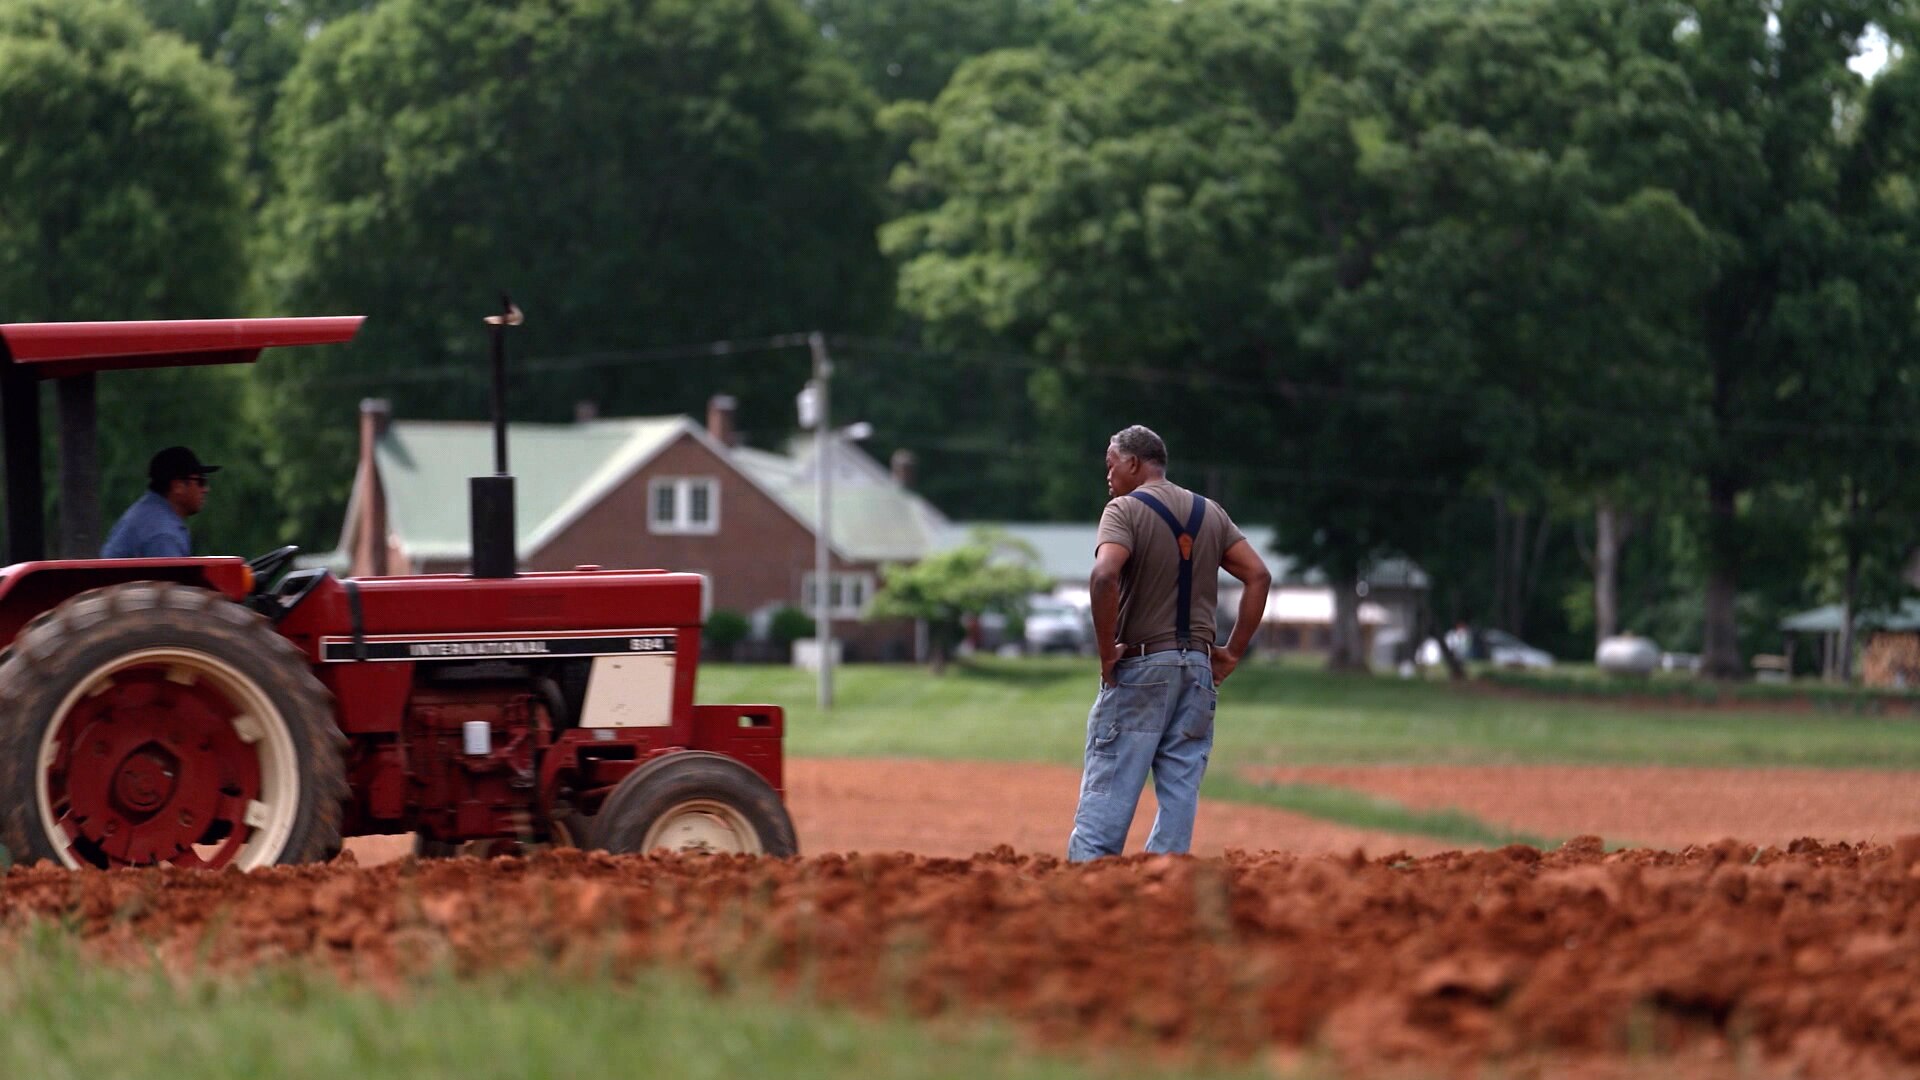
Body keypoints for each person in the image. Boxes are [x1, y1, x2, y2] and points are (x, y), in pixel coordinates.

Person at [1067, 425, 1270, 860]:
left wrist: (1106, 654)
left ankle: (1087, 889)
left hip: (1141, 665)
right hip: (1197, 671)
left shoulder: (1123, 510)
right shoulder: (1210, 512)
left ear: (1134, 463)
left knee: (1108, 791)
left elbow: (1104, 575)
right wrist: (1232, 652)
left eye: (1111, 465)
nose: (1107, 476)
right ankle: (1166, 884)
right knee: (1180, 788)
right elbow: (1259, 575)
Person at [100, 446, 219, 558]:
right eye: (201, 482)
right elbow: (171, 579)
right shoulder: (162, 534)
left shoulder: (148, 515)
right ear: (178, 486)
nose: (206, 489)